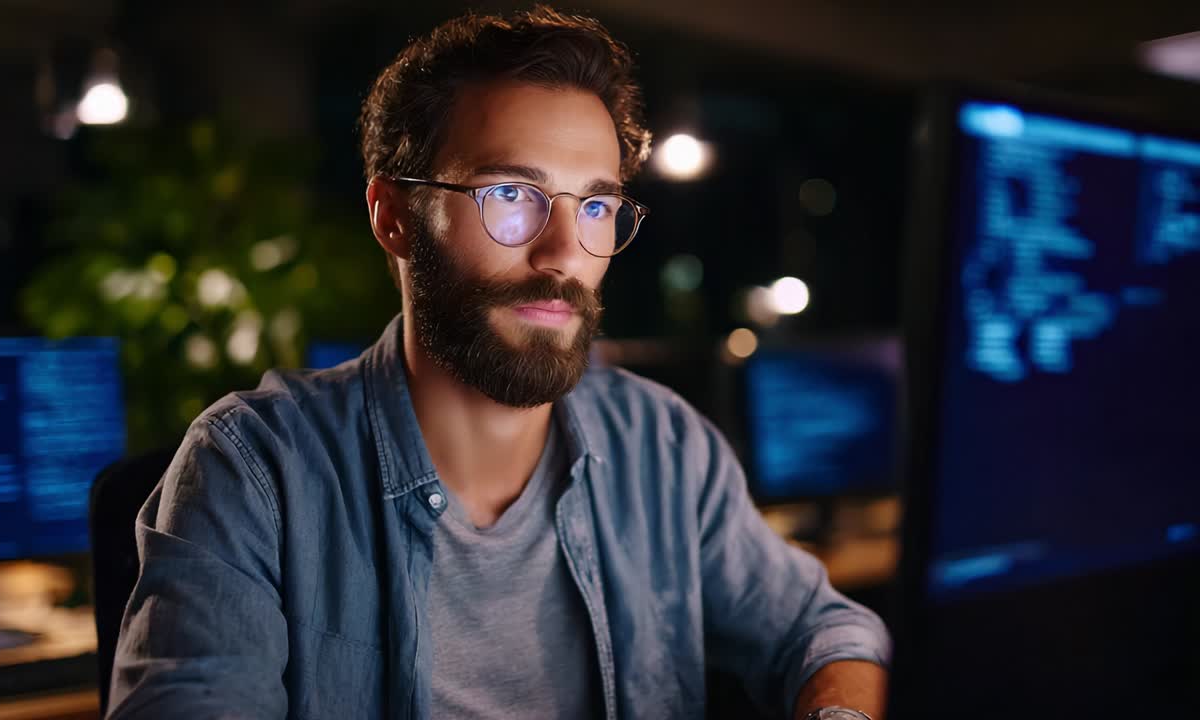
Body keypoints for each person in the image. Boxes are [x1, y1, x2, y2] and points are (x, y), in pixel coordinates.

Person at [108, 6, 890, 719]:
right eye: (510, 196)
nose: (563, 254)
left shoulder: (663, 446)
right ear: (395, 218)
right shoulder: (254, 471)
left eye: (595, 206)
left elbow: (823, 629)